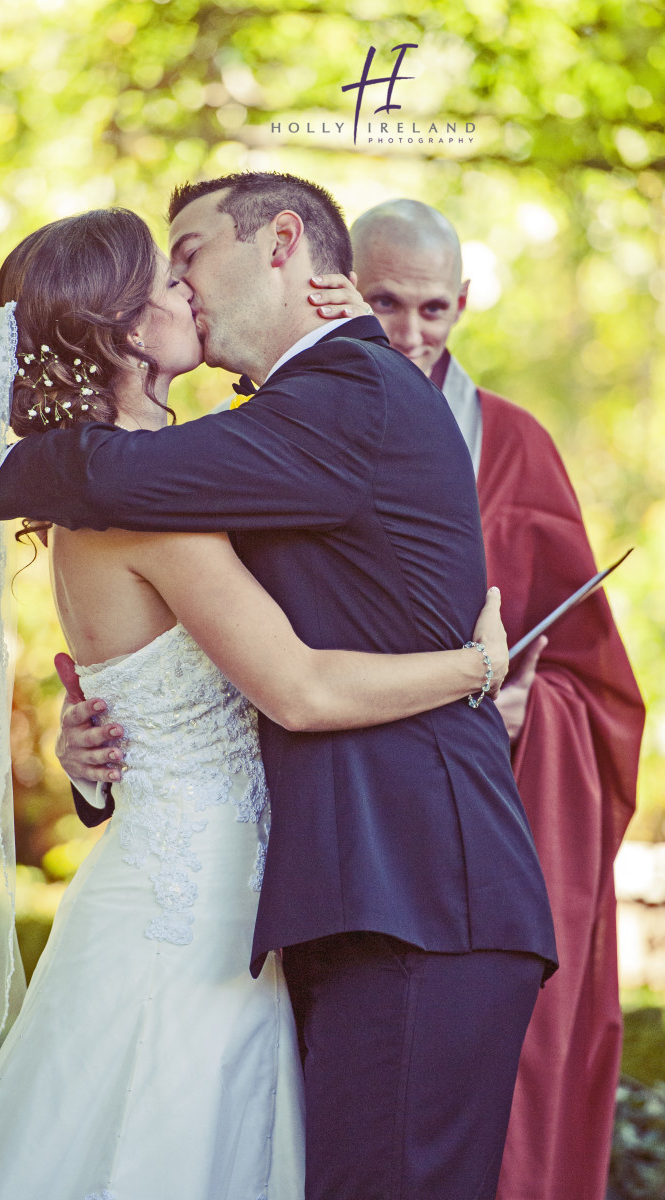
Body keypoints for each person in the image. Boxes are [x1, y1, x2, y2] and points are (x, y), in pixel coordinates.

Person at [0, 207, 513, 1200]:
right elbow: (293, 686)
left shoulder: (119, 498)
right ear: (127, 332)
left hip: (183, 885)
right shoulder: (143, 502)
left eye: (189, 265)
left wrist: (342, 336)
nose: (188, 291)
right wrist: (474, 668)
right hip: (204, 904)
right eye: (168, 281)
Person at [350, 197, 646, 1200]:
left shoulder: (514, 449)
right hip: (338, 829)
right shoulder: (278, 428)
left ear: (465, 301)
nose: (410, 332)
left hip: (479, 833)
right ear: (339, 290)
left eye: (434, 308)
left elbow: (597, 685)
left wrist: (531, 717)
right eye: (384, 301)